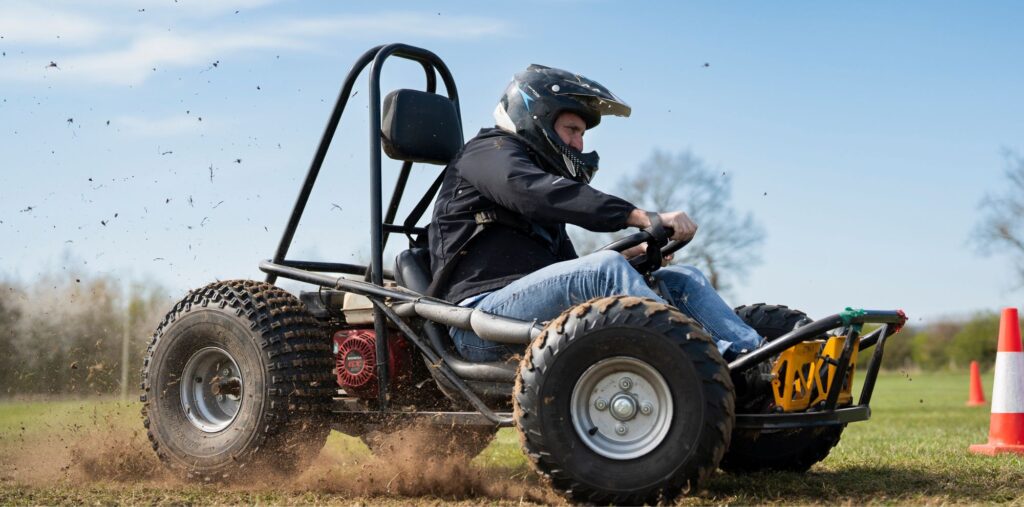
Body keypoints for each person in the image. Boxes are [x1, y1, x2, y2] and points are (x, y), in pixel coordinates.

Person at [427, 64, 762, 362]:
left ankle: (759, 359)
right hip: (478, 324)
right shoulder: (488, 152)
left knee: (680, 278)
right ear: (536, 116)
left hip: (524, 315)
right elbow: (534, 192)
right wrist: (640, 216)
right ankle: (710, 362)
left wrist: (634, 250)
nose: (579, 145)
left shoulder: (541, 191)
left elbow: (568, 268)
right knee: (603, 269)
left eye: (582, 134)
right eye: (572, 130)